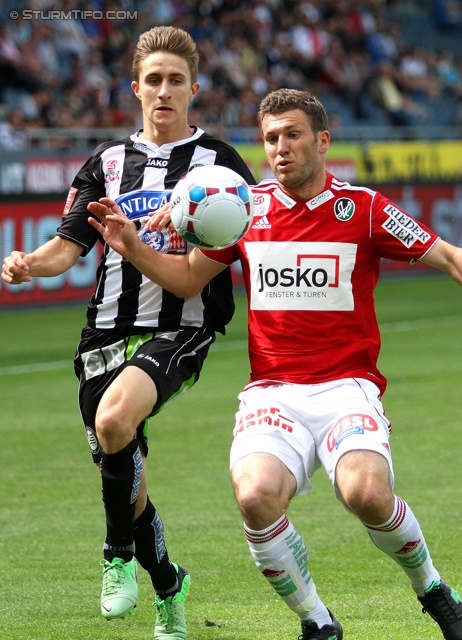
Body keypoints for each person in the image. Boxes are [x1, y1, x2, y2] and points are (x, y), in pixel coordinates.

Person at [84, 88, 462, 640]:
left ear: (322, 141)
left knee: (368, 494)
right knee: (255, 496)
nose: (280, 148)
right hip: (272, 392)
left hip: (346, 387)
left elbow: (449, 256)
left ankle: (433, 590)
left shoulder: (364, 208)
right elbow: (188, 278)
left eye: (292, 135)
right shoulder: (243, 211)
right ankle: (317, 622)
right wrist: (131, 245)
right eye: (270, 139)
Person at [1, 25, 254, 640]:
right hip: (103, 336)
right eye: (154, 80)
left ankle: (116, 557)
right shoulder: (107, 164)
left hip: (180, 329)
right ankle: (168, 581)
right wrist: (28, 264)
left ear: (194, 89)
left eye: (176, 81)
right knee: (127, 474)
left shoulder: (218, 164)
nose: (164, 91)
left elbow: (201, 275)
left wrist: (142, 239)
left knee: (116, 424)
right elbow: (69, 247)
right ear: (134, 87)